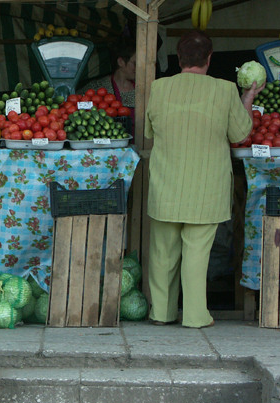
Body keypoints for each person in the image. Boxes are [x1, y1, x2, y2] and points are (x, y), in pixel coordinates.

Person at [144, 30, 264, 328]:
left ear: (179, 58)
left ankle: (162, 312)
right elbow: (240, 134)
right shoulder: (224, 90)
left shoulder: (158, 89)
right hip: (205, 186)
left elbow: (148, 132)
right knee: (196, 253)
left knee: (162, 252)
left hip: (166, 183)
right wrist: (248, 96)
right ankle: (196, 316)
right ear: (209, 59)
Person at [81, 39, 136, 110]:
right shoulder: (97, 87)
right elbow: (77, 103)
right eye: (135, 63)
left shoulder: (143, 90)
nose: (138, 68)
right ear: (121, 62)